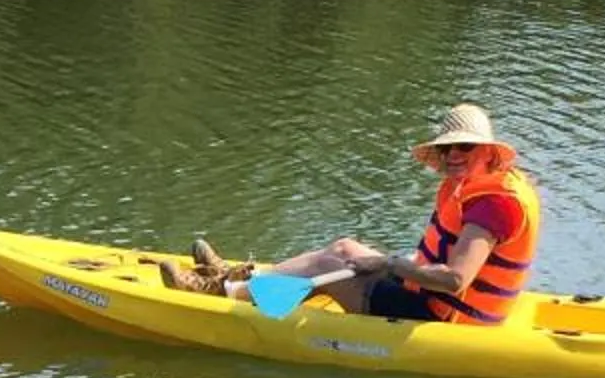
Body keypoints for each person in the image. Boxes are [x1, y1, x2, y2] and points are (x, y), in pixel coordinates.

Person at [164, 103, 541, 325]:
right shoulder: (479, 186)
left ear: (488, 152)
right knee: (344, 248)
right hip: (427, 298)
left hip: (444, 320)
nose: (454, 155)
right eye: (448, 149)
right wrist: (383, 262)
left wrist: (390, 264)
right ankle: (239, 280)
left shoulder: (493, 203)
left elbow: (456, 279)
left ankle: (220, 291)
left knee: (327, 271)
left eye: (465, 146)